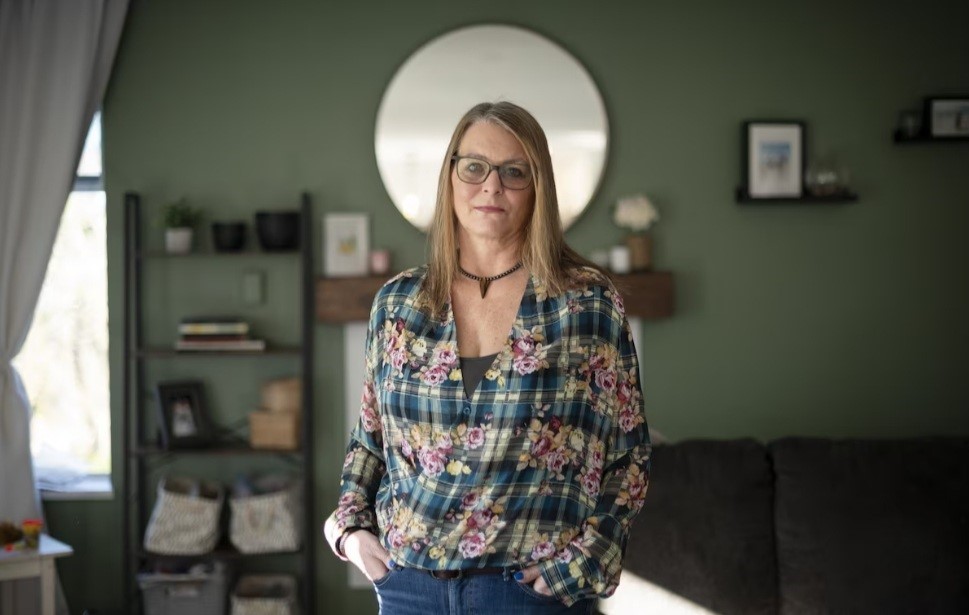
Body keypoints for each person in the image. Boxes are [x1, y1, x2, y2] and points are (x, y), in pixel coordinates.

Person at [323, 101, 651, 614]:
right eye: (474, 166)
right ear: (450, 174)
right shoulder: (397, 303)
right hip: (409, 589)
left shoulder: (586, 303)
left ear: (537, 186)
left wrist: (587, 560)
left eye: (514, 172)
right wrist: (349, 530)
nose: (491, 186)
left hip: (531, 593)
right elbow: (369, 444)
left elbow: (629, 456)